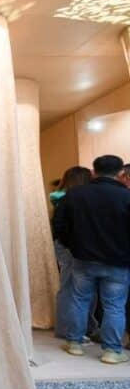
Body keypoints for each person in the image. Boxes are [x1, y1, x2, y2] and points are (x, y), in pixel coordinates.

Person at [53, 155, 130, 364]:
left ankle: (75, 343)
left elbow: (59, 226)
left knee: (79, 300)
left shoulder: (75, 195)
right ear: (121, 173)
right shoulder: (126, 196)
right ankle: (112, 351)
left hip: (83, 259)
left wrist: (75, 245)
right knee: (114, 305)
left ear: (94, 172)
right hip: (119, 262)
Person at [51, 166, 93, 339]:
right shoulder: (74, 199)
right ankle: (68, 329)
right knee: (73, 288)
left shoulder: (59, 197)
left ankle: (68, 327)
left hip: (64, 244)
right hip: (71, 246)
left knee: (68, 286)